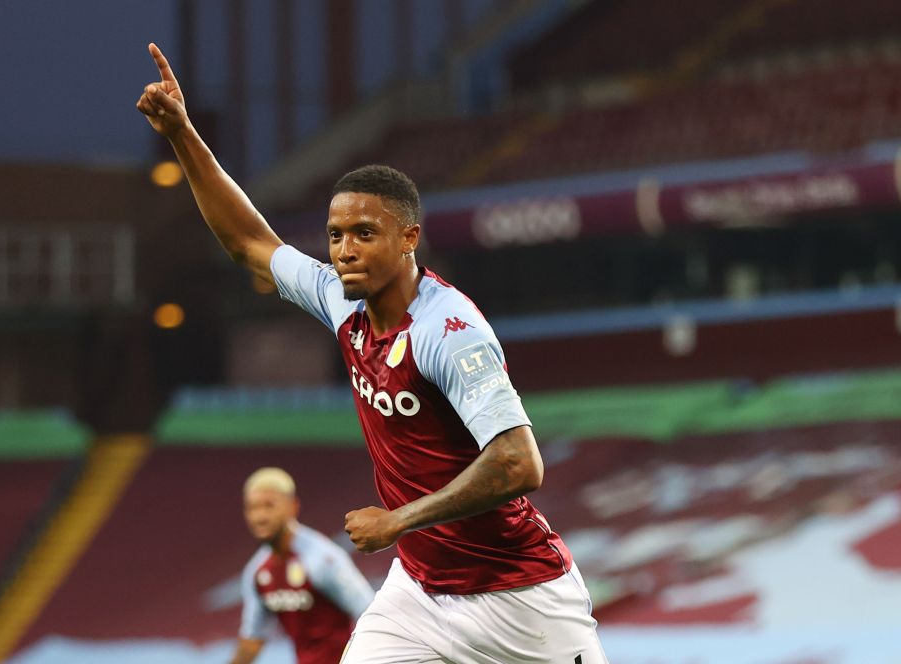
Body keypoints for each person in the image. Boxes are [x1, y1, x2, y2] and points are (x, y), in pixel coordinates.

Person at [137, 43, 608, 663]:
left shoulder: (450, 329)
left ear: (409, 237)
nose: (344, 250)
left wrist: (399, 520)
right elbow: (250, 242)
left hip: (520, 597)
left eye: (365, 233)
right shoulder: (341, 300)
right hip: (417, 595)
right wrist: (183, 134)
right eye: (335, 236)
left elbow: (520, 465)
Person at [232, 467, 374, 664]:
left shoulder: (323, 558)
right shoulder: (257, 571)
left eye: (268, 506)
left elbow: (370, 614)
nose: (260, 517)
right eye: (252, 508)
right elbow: (252, 640)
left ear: (292, 507)